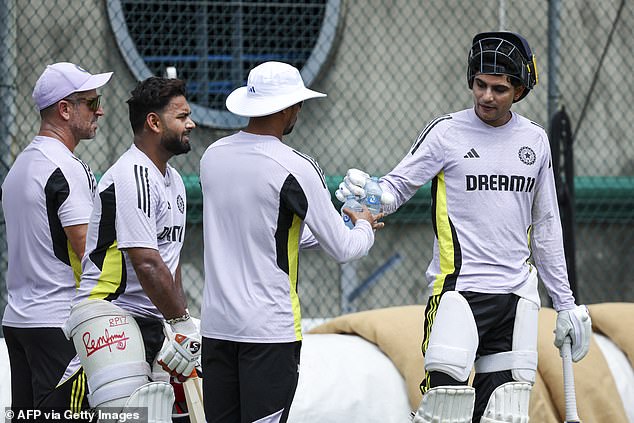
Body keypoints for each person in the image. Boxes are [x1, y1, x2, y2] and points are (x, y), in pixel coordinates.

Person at [336, 32, 592, 422]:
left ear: (520, 90)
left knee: (505, 414)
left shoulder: (536, 141)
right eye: (480, 85)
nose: (487, 96)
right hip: (458, 293)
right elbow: (397, 187)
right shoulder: (446, 133)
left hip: (516, 298)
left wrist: (566, 303)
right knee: (445, 410)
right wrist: (370, 194)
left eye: (500, 89)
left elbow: (545, 227)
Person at [199, 61, 384, 423]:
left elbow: (271, 233)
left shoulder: (213, 156)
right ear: (286, 108)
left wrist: (343, 225)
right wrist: (361, 226)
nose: (300, 110)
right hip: (269, 330)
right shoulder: (294, 165)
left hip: (216, 327)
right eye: (298, 103)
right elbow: (344, 249)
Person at [62, 76, 199, 420]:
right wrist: (182, 322)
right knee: (131, 415)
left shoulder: (175, 180)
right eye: (181, 116)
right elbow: (148, 264)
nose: (191, 124)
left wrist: (179, 325)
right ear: (154, 122)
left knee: (170, 412)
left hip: (152, 319)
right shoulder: (132, 174)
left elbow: (170, 263)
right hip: (108, 312)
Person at [1, 62, 112, 416]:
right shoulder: (65, 167)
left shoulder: (19, 166)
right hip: (58, 324)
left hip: (19, 321)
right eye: (92, 102)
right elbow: (88, 251)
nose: (100, 110)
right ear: (65, 109)